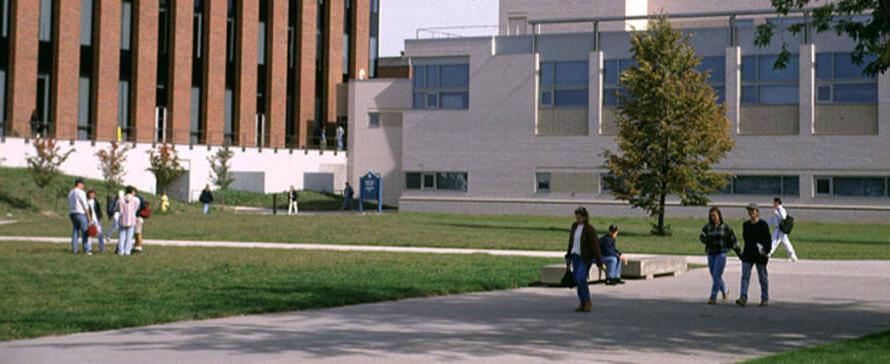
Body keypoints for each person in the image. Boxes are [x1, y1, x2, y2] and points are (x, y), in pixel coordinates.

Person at [564, 207, 604, 313]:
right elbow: (571, 241)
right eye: (576, 215)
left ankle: (587, 301)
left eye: (579, 216)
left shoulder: (589, 229)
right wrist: (568, 254)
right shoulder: (574, 226)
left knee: (581, 278)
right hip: (574, 256)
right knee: (577, 280)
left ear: (585, 216)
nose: (577, 218)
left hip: (584, 257)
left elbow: (595, 246)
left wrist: (599, 261)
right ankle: (581, 302)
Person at [700, 207, 739, 305]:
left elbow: (733, 240)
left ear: (719, 216)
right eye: (711, 216)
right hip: (710, 253)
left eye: (715, 216)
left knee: (717, 275)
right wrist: (706, 239)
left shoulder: (725, 227)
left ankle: (713, 297)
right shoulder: (707, 227)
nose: (713, 218)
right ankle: (725, 290)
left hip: (721, 254)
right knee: (714, 275)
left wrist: (739, 253)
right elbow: (702, 237)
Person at [737, 203, 771, 307]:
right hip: (748, 254)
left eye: (753, 210)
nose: (751, 213)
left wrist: (766, 251)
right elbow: (746, 239)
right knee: (745, 276)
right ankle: (743, 297)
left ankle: (764, 298)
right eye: (749, 211)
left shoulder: (763, 224)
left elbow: (768, 240)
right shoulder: (746, 225)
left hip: (760, 254)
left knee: (762, 277)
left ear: (757, 212)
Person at [768, 197, 798, 262]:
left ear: (777, 203)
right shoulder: (777, 210)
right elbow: (773, 219)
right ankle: (793, 256)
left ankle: (768, 254)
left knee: (774, 241)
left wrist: (777, 212)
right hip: (778, 229)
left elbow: (783, 217)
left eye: (774, 203)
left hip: (780, 229)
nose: (773, 204)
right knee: (786, 243)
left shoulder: (781, 209)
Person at [67, 179, 92, 255]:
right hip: (80, 213)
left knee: (75, 231)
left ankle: (75, 250)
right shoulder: (81, 192)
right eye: (83, 184)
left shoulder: (70, 193)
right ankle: (86, 250)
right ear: (79, 184)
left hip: (72, 213)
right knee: (85, 232)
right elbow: (85, 205)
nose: (83, 186)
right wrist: (89, 217)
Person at [116, 186, 140, 256]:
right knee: (129, 237)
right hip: (131, 219)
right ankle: (127, 251)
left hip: (122, 219)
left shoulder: (121, 199)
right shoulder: (136, 200)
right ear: (132, 191)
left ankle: (121, 251)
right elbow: (136, 208)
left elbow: (117, 208)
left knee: (121, 236)